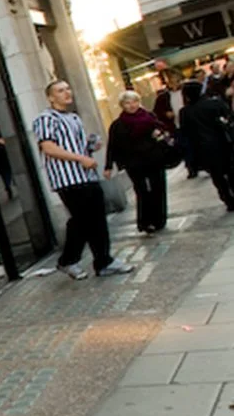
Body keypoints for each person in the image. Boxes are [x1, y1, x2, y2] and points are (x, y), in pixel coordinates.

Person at [31, 80, 134, 280]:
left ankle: (100, 261)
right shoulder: (46, 119)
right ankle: (72, 260)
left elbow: (77, 146)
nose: (67, 93)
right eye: (60, 91)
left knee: (95, 219)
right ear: (51, 97)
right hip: (68, 179)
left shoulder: (74, 118)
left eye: (68, 89)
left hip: (87, 175)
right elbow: (48, 148)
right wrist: (80, 158)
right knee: (82, 220)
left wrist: (91, 146)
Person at [104, 89, 173, 234]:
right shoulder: (118, 125)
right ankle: (146, 222)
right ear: (122, 105)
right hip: (134, 163)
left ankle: (159, 220)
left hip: (154, 159)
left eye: (134, 101)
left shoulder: (149, 117)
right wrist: (108, 166)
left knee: (158, 188)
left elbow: (163, 128)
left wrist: (159, 133)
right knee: (142, 191)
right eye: (127, 103)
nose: (132, 105)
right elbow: (112, 146)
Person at [179, 75, 234, 210]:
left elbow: (185, 133)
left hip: (203, 148)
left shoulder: (185, 112)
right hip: (224, 143)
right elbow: (228, 119)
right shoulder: (215, 103)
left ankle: (228, 199)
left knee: (217, 176)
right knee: (230, 170)